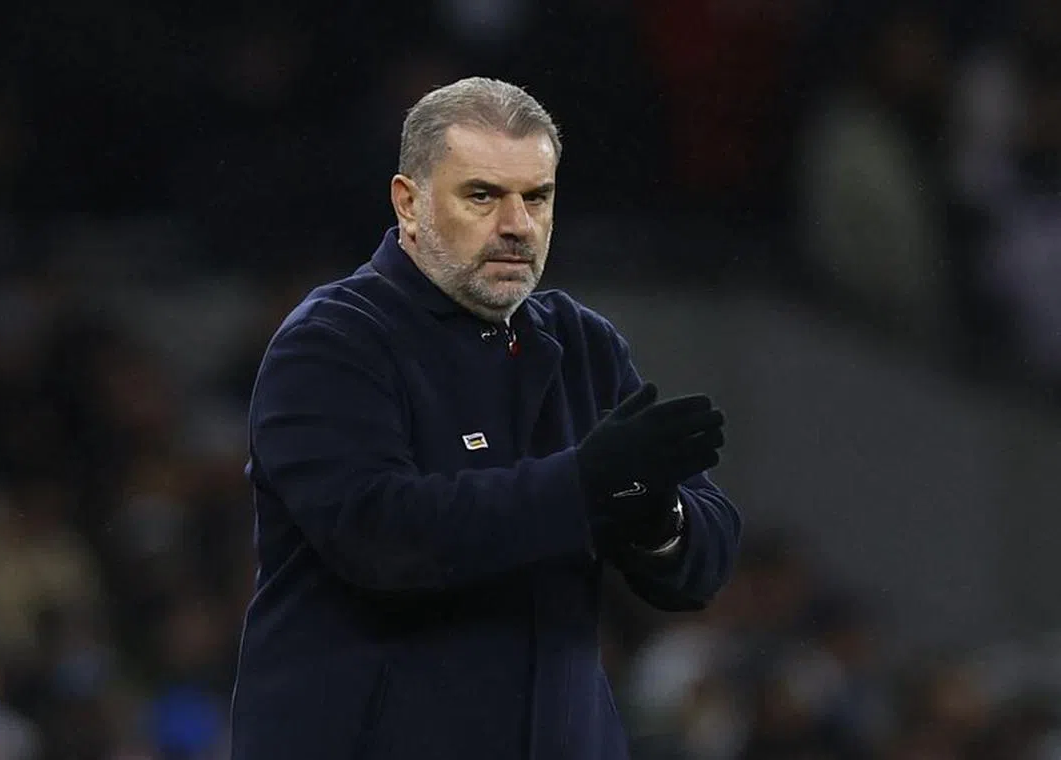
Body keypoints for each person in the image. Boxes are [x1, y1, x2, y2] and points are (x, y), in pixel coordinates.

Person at [229, 77, 742, 760]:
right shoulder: (332, 341)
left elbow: (705, 556)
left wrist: (653, 513)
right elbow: (381, 534)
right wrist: (584, 485)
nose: (517, 225)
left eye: (537, 197)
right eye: (482, 196)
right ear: (408, 203)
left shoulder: (583, 345)